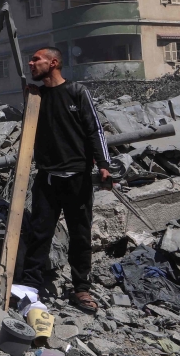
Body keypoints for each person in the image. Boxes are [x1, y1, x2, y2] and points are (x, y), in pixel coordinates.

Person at [16, 46, 110, 313]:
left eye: (36, 59)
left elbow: (94, 129)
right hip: (47, 178)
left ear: (53, 63)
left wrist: (104, 165)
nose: (31, 63)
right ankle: (30, 287)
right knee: (39, 233)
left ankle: (81, 288)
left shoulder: (77, 92)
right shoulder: (36, 97)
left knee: (80, 235)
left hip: (77, 177)